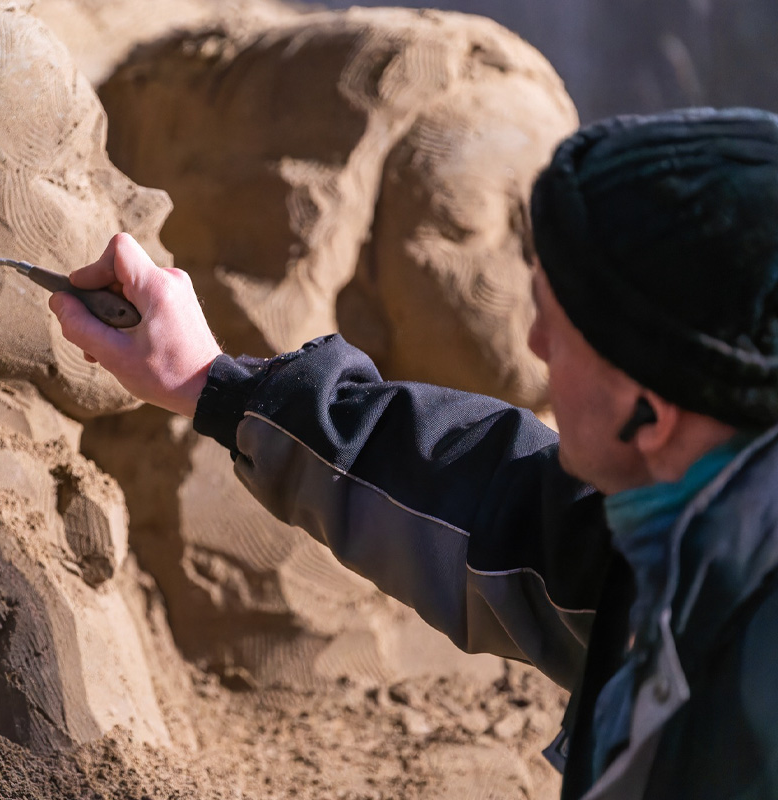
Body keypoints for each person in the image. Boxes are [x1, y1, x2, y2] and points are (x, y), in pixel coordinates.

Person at [49, 107, 778, 799]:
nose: (535, 346)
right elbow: (500, 513)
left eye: (561, 329)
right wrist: (217, 386)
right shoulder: (678, 535)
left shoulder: (752, 697)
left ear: (650, 410)